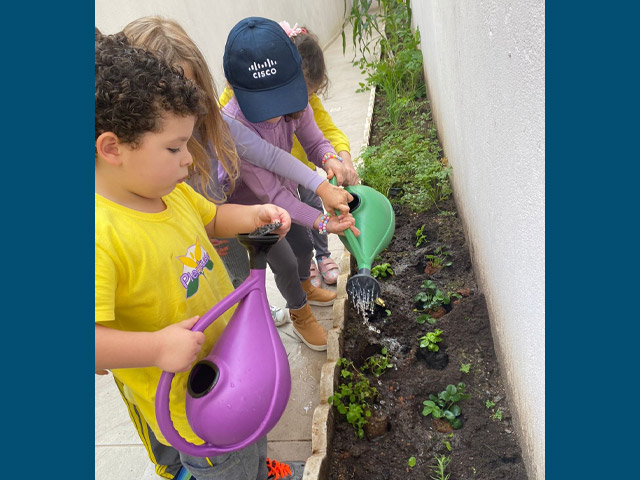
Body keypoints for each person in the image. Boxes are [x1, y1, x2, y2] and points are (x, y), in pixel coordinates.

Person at [95, 32, 303, 480]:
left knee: (251, 432)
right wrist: (155, 347)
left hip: (229, 357)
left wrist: (253, 214)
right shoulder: (98, 236)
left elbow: (211, 218)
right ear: (112, 149)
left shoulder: (169, 192)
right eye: (174, 147)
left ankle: (257, 468)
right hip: (191, 406)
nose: (189, 159)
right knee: (226, 464)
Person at [122, 16, 353, 325]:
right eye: (174, 148)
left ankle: (262, 315)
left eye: (190, 93)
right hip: (222, 220)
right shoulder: (122, 217)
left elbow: (271, 159)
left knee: (247, 275)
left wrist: (322, 184)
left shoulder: (219, 124)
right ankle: (258, 317)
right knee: (236, 281)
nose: (188, 158)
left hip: (224, 215)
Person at [220, 16, 360, 352]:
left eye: (284, 98)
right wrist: (325, 220)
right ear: (235, 89)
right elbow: (273, 194)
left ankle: (303, 288)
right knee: (279, 259)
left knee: (302, 245)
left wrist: (329, 159)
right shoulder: (236, 127)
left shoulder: (298, 102)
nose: (276, 114)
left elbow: (315, 140)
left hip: (283, 196)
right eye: (264, 105)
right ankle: (299, 314)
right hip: (246, 211)